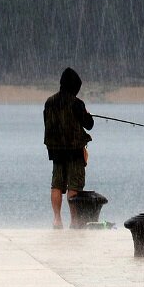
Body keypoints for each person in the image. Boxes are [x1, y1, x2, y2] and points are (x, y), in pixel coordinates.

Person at [43, 67, 94, 229]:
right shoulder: (77, 104)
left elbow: (47, 122)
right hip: (74, 151)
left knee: (56, 185)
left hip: (55, 150)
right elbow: (89, 124)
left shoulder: (49, 102)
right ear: (75, 87)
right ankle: (74, 221)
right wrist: (86, 113)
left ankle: (57, 219)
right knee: (74, 186)